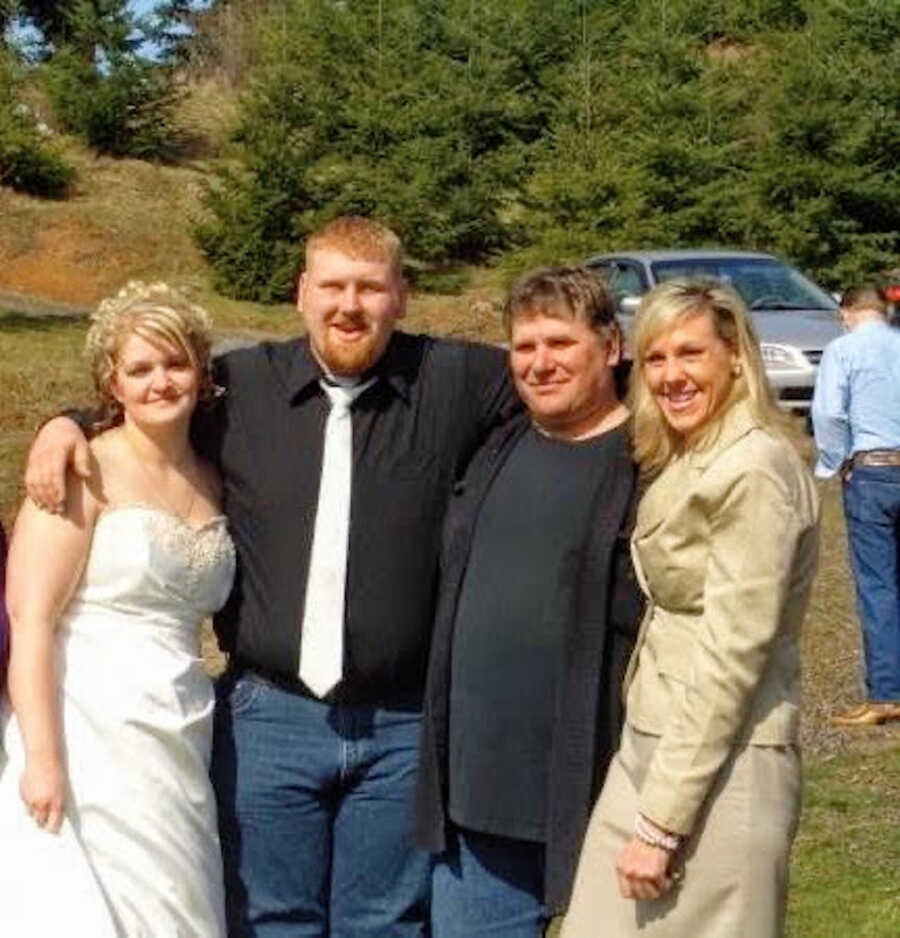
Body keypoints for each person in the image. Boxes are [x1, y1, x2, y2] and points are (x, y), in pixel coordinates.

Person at [25, 216, 517, 937]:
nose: (350, 305)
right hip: (269, 719)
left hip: (400, 725)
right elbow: (150, 393)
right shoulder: (243, 387)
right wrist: (65, 423)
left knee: (382, 923)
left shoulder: (455, 380)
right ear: (301, 293)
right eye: (333, 286)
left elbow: (572, 380)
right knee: (267, 919)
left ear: (401, 297)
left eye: (371, 288)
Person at [561, 279, 819, 938]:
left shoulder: (754, 468)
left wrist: (661, 822)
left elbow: (734, 655)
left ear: (736, 356)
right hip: (654, 745)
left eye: (691, 354)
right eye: (655, 358)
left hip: (723, 766)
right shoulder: (693, 452)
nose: (672, 375)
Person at [0, 282, 235, 936]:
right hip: (83, 725)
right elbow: (31, 619)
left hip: (179, 727)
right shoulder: (82, 470)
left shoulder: (216, 477)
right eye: (140, 368)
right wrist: (42, 757)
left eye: (175, 363)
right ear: (114, 383)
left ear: (201, 370)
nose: (160, 381)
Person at [415, 266, 643, 937]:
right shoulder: (497, 442)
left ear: (611, 347)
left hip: (601, 791)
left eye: (560, 343)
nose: (540, 363)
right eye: (524, 346)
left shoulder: (652, 461)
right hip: (478, 800)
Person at [811, 284, 900, 726]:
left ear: (847, 312)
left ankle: (886, 693)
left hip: (873, 468)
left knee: (878, 584)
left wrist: (835, 461)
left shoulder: (842, 351)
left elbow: (828, 413)